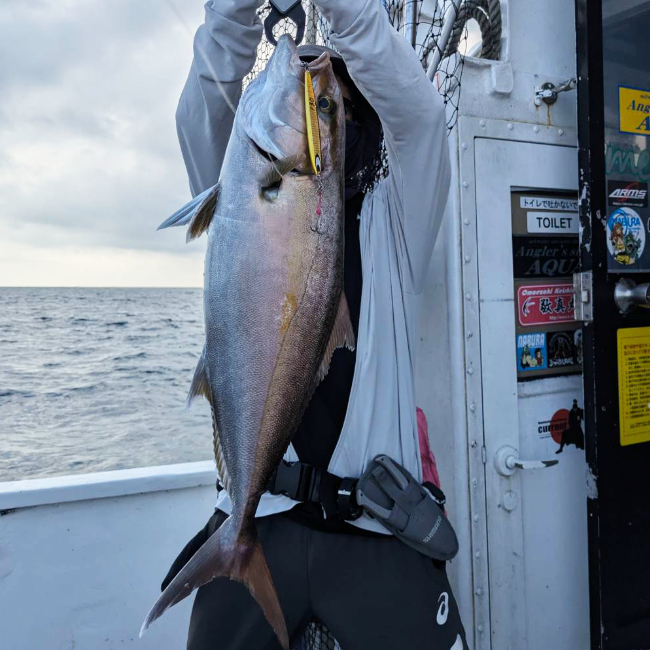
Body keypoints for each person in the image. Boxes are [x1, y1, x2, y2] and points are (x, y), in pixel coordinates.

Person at [162, 1, 468, 648]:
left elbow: (420, 115)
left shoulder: (398, 221)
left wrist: (348, 14)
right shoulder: (239, 192)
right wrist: (234, 12)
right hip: (253, 518)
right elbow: (201, 109)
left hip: (378, 529)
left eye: (337, 105)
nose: (326, 107)